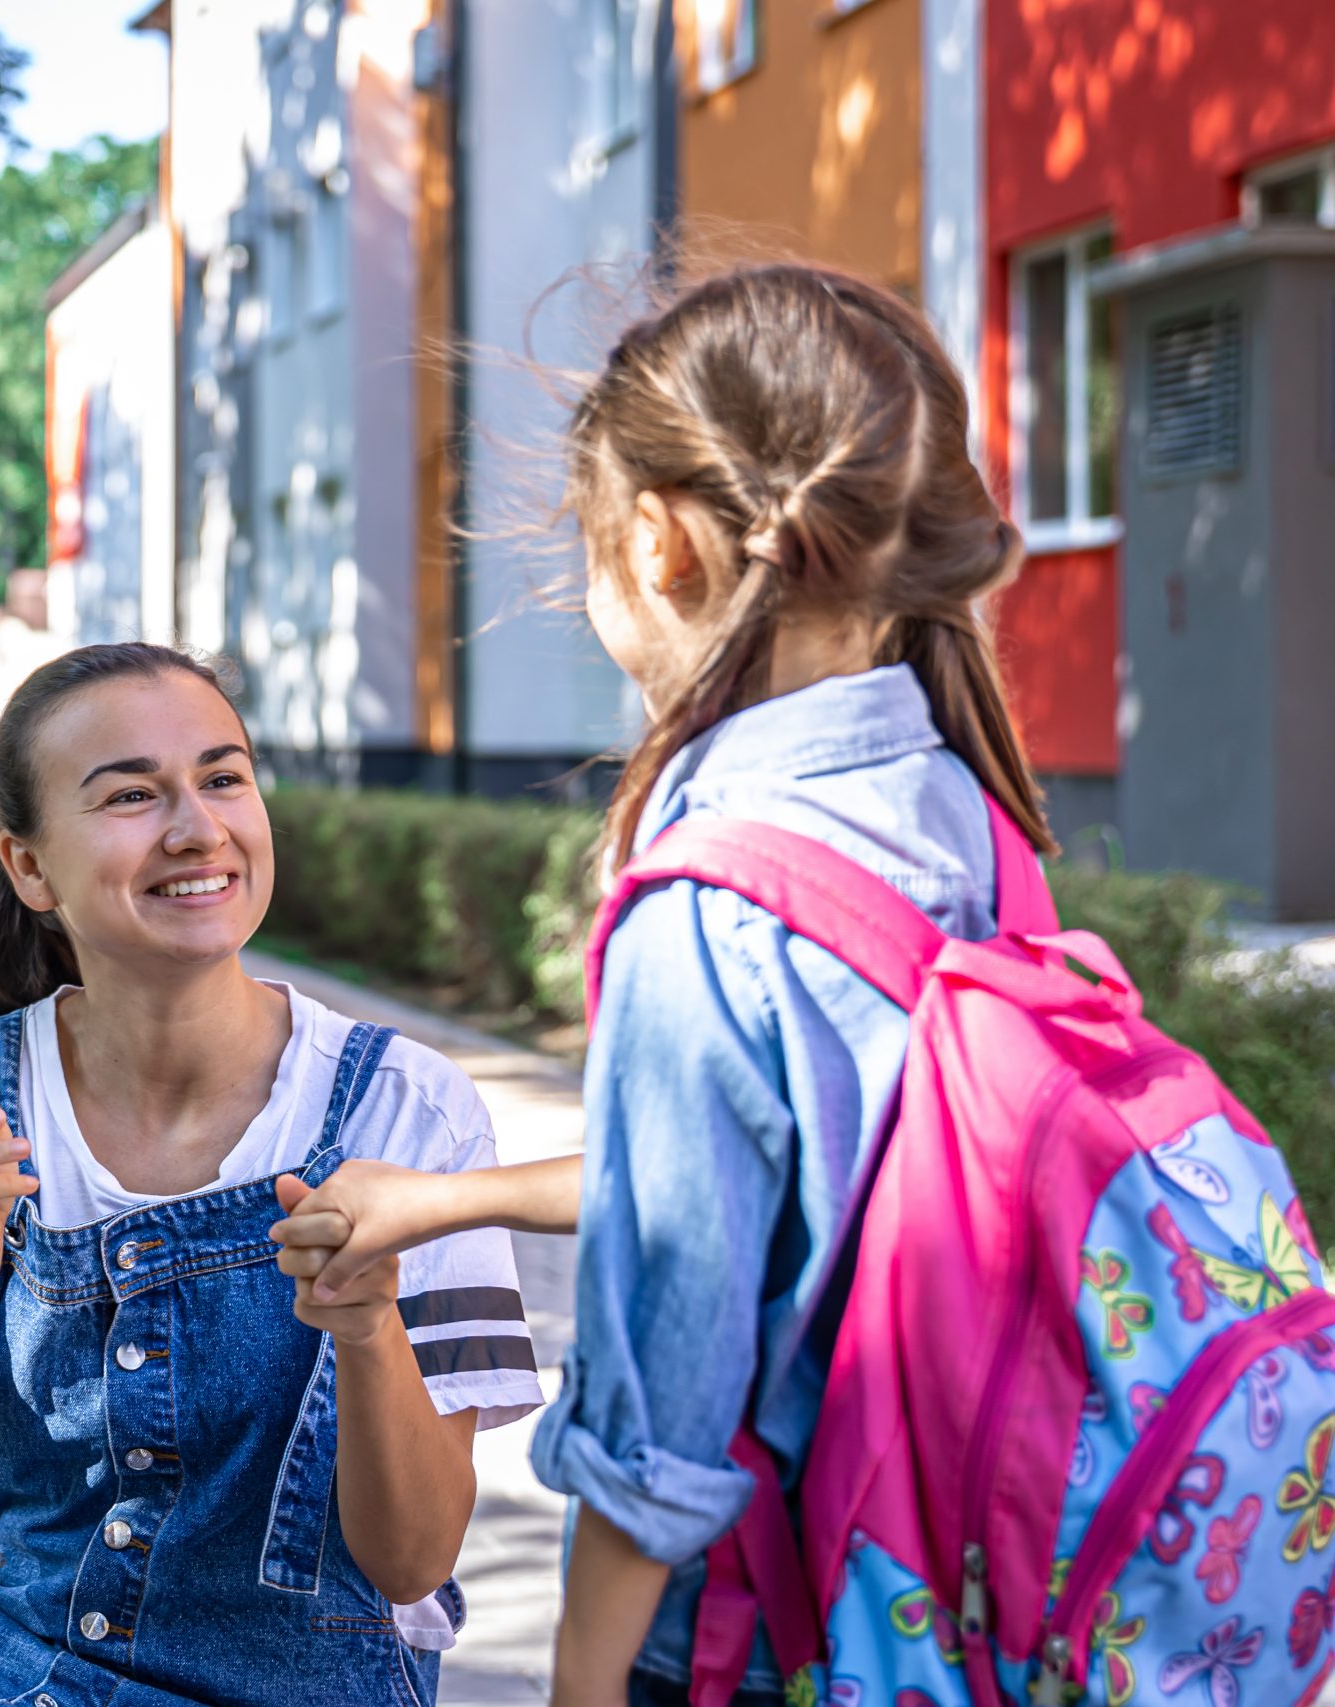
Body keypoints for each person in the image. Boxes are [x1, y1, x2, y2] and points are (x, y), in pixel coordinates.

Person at [271, 262, 1056, 1707]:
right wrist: (443, 1200)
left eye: (586, 547)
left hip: (770, 1626)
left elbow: (662, 1423)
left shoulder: (711, 903)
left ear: (657, 541)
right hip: (972, 1583)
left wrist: (580, 1681)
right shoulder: (967, 807)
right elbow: (799, 1170)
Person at [0, 643, 543, 1707]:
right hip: (22, 1639)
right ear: (29, 867)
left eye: (222, 777)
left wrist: (367, 1329)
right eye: (130, 795)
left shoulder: (406, 1109)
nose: (197, 828)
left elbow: (413, 1560)